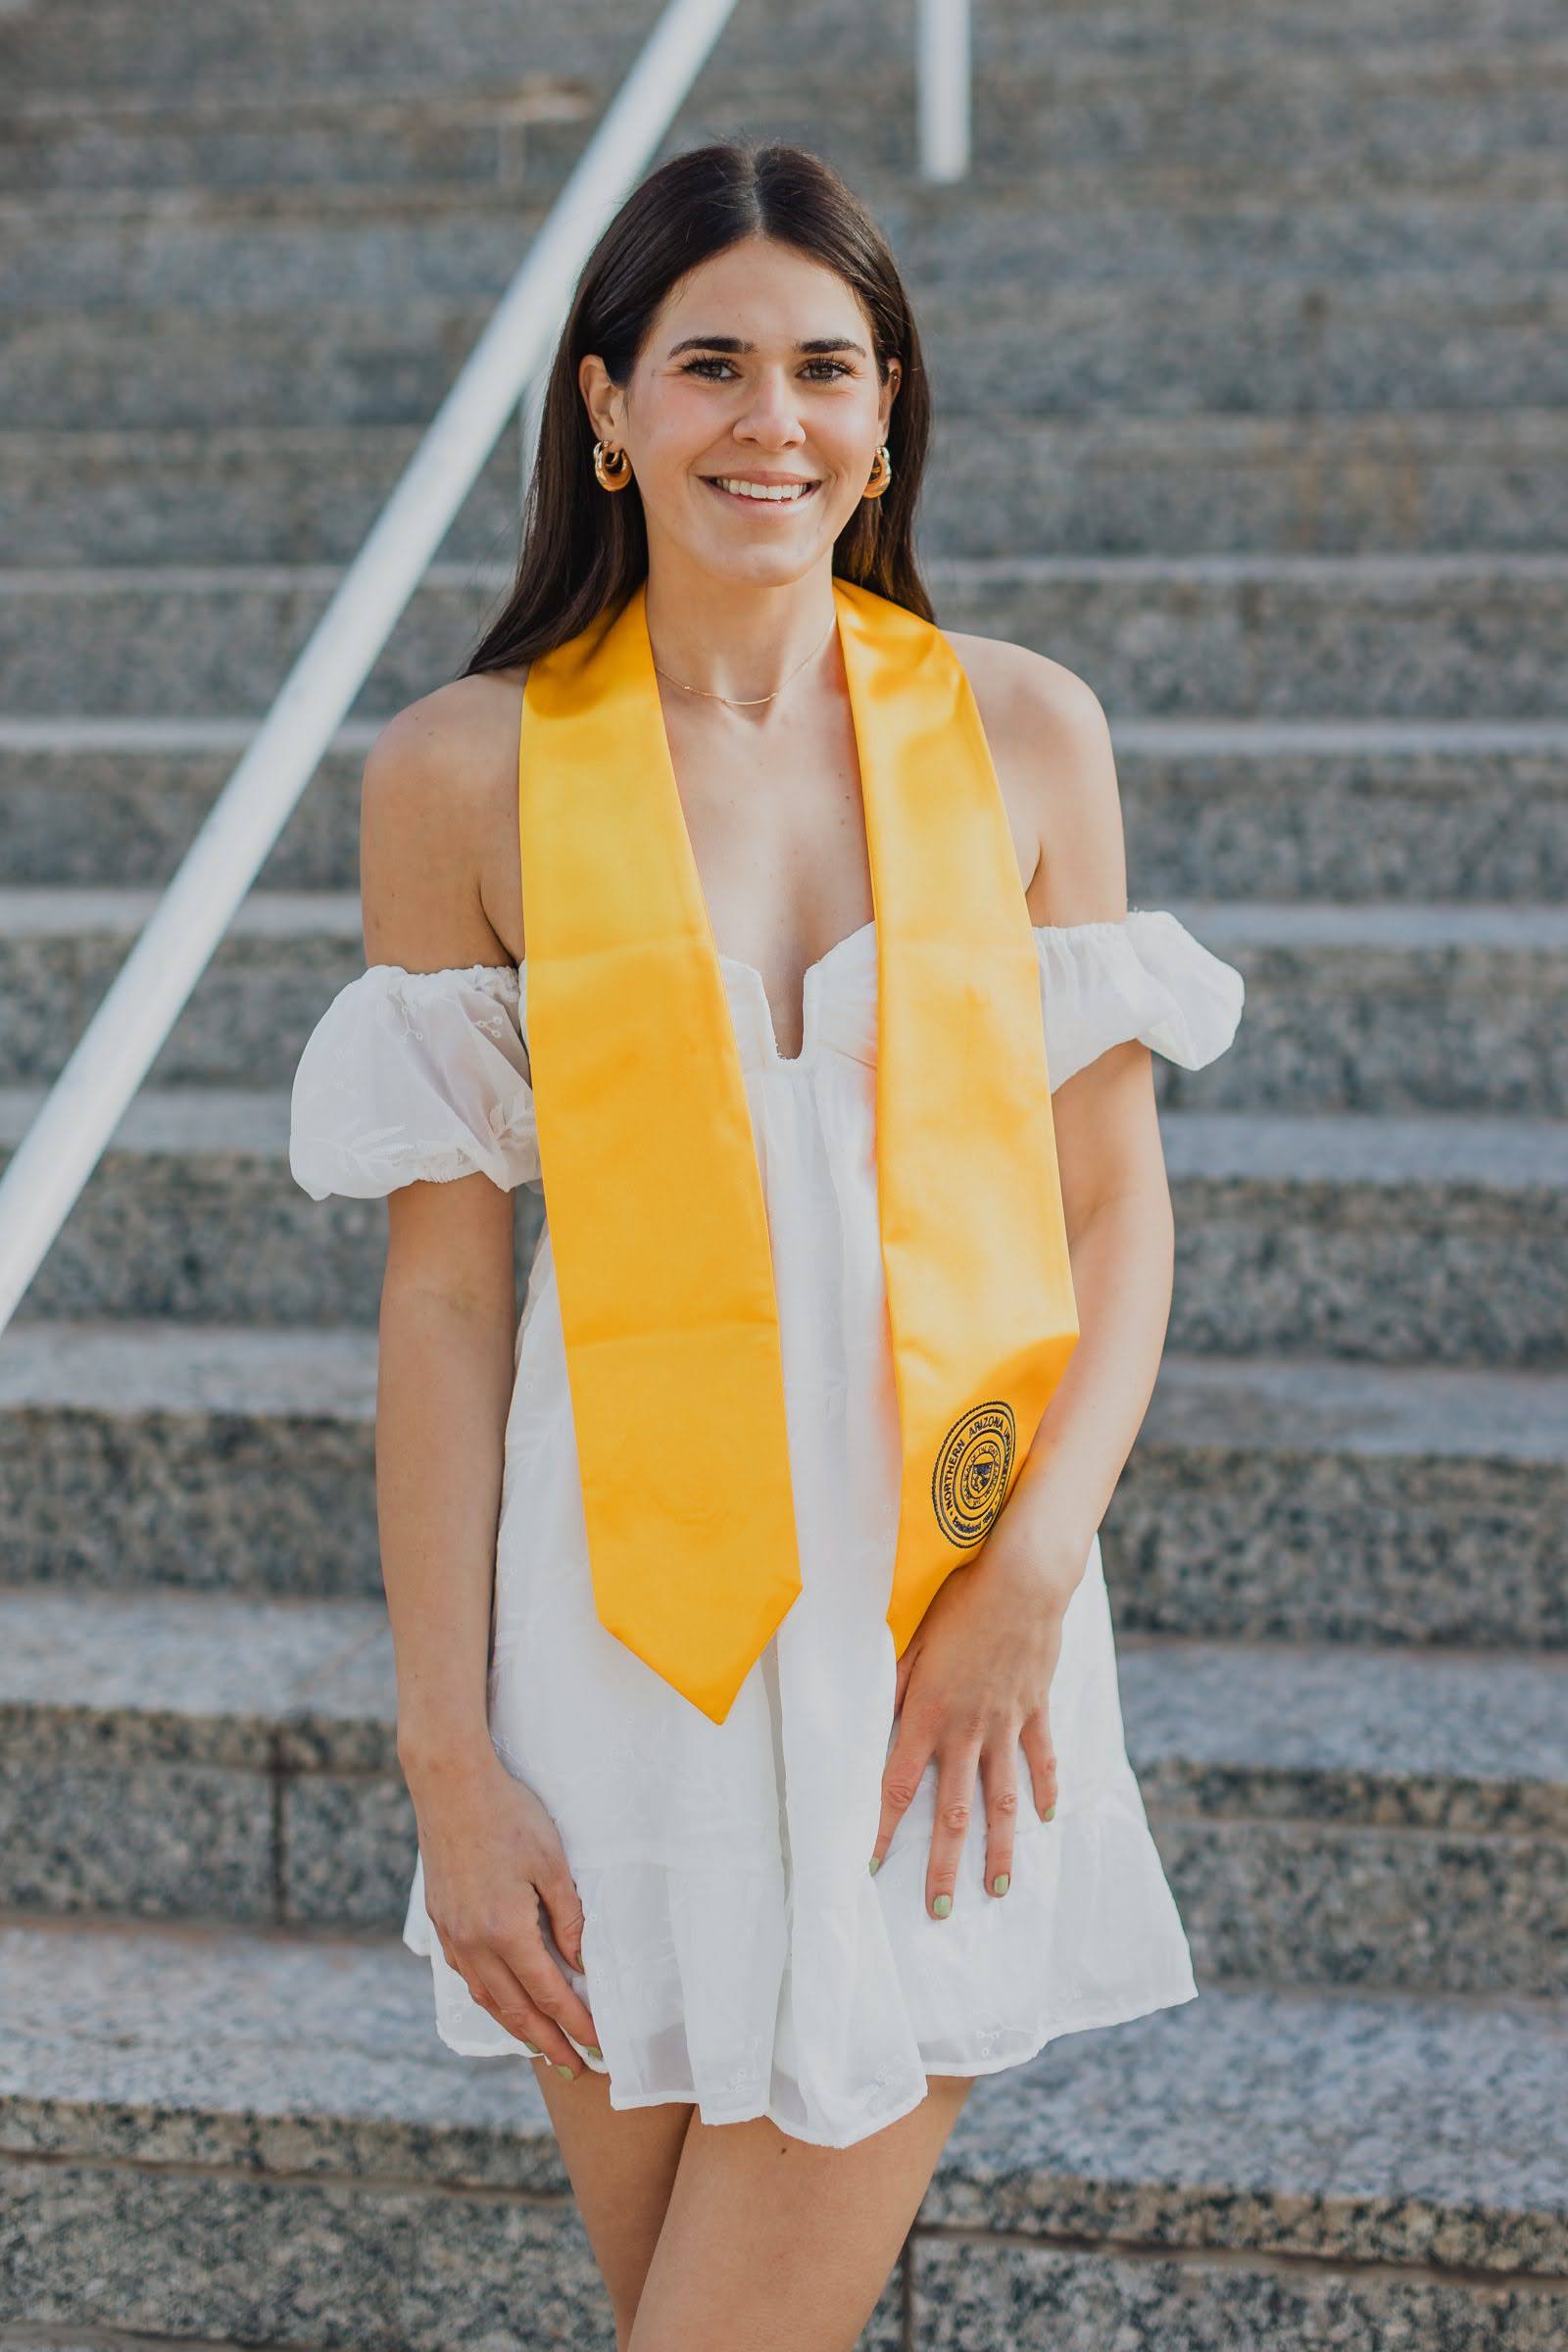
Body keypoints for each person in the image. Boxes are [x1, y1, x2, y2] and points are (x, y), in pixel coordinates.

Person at [289, 139, 1245, 2352]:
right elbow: (440, 1298)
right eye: (707, 365)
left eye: (826, 366)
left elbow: (1114, 1206)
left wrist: (1022, 1588)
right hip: (621, 1665)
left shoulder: (1017, 732)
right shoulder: (463, 778)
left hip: (945, 1647)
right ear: (604, 411)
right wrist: (449, 1754)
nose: (771, 420)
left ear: (887, 410)